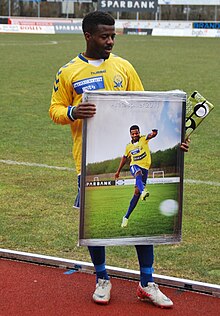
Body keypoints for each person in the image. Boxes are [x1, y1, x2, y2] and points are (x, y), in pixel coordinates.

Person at [49, 10, 189, 309]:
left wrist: (175, 141)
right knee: (93, 225)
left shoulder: (124, 67)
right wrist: (73, 112)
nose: (111, 41)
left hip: (129, 153)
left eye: (113, 35)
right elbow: (55, 109)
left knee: (145, 225)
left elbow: (144, 106)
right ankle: (102, 278)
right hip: (87, 158)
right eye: (104, 36)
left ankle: (147, 283)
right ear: (88, 36)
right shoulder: (68, 72)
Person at [115, 125, 158, 228]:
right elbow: (124, 159)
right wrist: (118, 171)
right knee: (137, 172)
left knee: (136, 193)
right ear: (130, 134)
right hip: (134, 166)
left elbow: (151, 135)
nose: (135, 135)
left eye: (136, 133)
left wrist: (154, 133)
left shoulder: (144, 139)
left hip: (145, 168)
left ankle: (126, 217)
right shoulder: (128, 146)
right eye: (133, 133)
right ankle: (143, 191)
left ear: (139, 132)